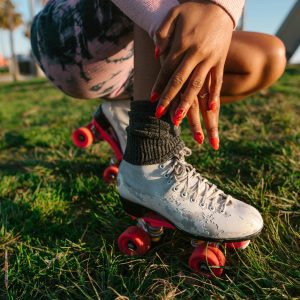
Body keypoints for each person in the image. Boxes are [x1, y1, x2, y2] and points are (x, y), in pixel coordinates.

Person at [31, 0, 286, 241]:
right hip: (74, 38)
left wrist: (221, 14)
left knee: (267, 57)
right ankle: (150, 157)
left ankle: (129, 108)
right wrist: (179, 32)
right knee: (189, 12)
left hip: (135, 63)